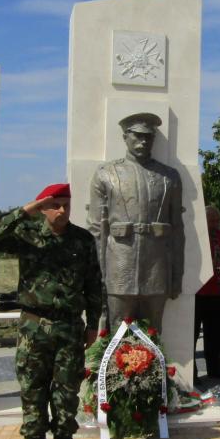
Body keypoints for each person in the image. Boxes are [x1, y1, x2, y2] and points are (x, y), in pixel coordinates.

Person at [0, 183, 102, 439]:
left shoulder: (82, 240)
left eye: (66, 205)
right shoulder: (28, 235)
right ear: (44, 206)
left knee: (65, 400)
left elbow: (93, 284)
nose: (62, 210)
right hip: (34, 329)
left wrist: (92, 325)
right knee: (33, 399)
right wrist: (28, 210)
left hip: (69, 329)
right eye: (56, 205)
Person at [87, 113, 184, 334]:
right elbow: (96, 230)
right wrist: (98, 276)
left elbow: (177, 230)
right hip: (119, 264)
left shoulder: (169, 177)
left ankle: (153, 369)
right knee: (117, 331)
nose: (143, 142)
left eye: (148, 137)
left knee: (153, 332)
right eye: (137, 136)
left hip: (156, 267)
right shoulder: (106, 174)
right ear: (125, 137)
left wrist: (176, 276)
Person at [195, 206, 220, 383]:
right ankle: (192, 374)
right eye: (212, 220)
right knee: (193, 336)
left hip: (216, 291)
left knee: (214, 334)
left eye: (217, 220)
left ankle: (214, 369)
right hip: (197, 292)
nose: (216, 224)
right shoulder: (197, 235)